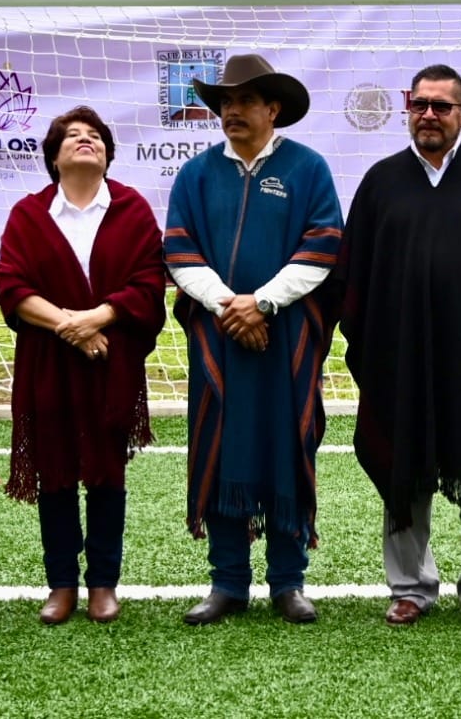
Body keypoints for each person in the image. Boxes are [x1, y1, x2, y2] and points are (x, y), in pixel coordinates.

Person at [339, 64, 461, 630]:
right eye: (419, 104)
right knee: (403, 458)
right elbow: (354, 276)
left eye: (441, 106)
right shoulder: (380, 183)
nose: (428, 115)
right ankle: (410, 587)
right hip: (399, 357)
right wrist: (369, 349)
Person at [163, 54, 342, 625]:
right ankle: (227, 583)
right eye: (225, 102)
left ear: (273, 109)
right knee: (219, 448)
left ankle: (288, 582)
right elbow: (179, 250)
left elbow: (324, 244)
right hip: (219, 339)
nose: (232, 111)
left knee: (288, 444)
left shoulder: (307, 167)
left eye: (244, 101)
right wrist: (229, 306)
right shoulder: (195, 174)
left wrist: (262, 303)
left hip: (286, 338)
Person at [0, 106, 167, 625]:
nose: (85, 140)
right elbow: (13, 286)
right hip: (48, 363)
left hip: (111, 362)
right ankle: (62, 584)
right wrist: (70, 326)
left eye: (95, 136)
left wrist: (98, 318)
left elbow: (148, 283)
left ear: (108, 155)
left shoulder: (132, 209)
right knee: (56, 473)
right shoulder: (29, 214)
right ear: (54, 156)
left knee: (107, 473)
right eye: (72, 135)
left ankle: (103, 583)